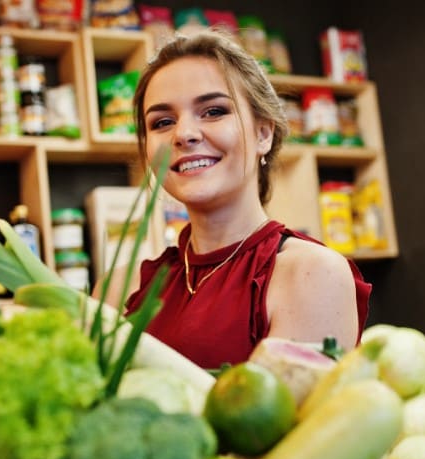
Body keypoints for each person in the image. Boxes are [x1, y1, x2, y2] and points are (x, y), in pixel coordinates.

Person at [98, 29, 372, 369]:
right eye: (163, 122)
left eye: (213, 111)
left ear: (263, 133)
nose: (184, 134)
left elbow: (282, 420)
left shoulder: (312, 274)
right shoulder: (114, 292)